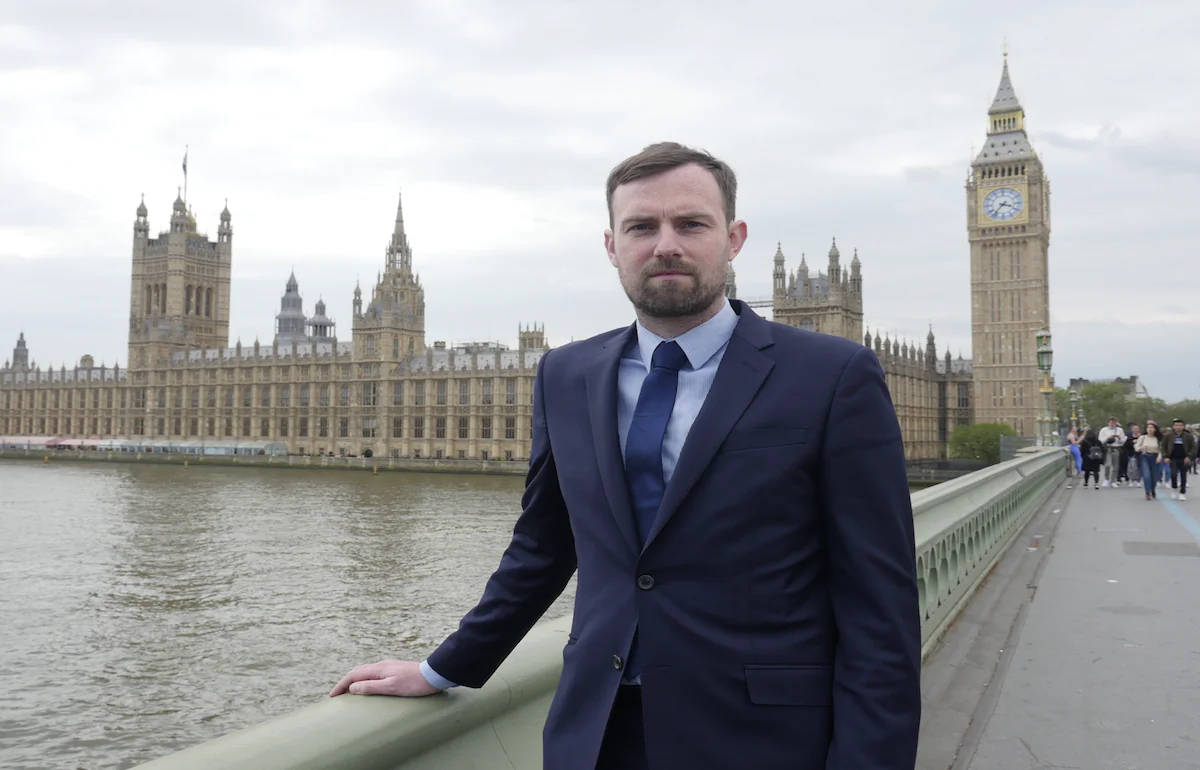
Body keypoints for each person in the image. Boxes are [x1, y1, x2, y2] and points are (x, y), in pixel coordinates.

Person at [330, 142, 922, 770]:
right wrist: (441, 667)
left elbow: (879, 610)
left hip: (757, 738)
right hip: (597, 732)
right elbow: (542, 548)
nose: (665, 244)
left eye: (691, 223)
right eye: (641, 226)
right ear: (613, 246)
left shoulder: (833, 374)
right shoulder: (566, 374)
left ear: (734, 238)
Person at [1158, 419, 1196, 501]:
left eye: (1180, 425)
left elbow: (1193, 448)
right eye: (1176, 425)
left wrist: (1189, 456)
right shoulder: (1168, 436)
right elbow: (1163, 447)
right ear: (1173, 426)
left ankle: (1182, 492)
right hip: (1173, 459)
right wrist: (1165, 457)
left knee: (1183, 476)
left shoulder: (1188, 436)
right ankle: (1174, 488)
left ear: (1183, 426)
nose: (1178, 427)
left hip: (1184, 458)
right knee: (1173, 474)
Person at [1134, 421, 1162, 500]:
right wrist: (1140, 448)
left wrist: (1159, 457)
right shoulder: (1142, 437)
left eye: (1151, 427)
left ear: (1155, 429)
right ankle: (1147, 492)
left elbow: (1161, 450)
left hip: (1155, 457)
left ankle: (1153, 489)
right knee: (1146, 475)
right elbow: (1136, 447)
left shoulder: (1158, 439)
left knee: (1154, 476)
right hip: (1145, 457)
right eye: (1148, 427)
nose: (1149, 429)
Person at [1097, 417, 1126, 488]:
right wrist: (1108, 438)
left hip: (1116, 448)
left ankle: (1113, 480)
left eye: (1114, 423)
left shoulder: (1120, 430)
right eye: (1111, 423)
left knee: (1116, 466)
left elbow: (1123, 441)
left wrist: (1118, 437)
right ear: (1108, 423)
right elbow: (1100, 441)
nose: (1112, 424)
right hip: (1108, 448)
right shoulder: (1104, 430)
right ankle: (1106, 479)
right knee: (1107, 464)